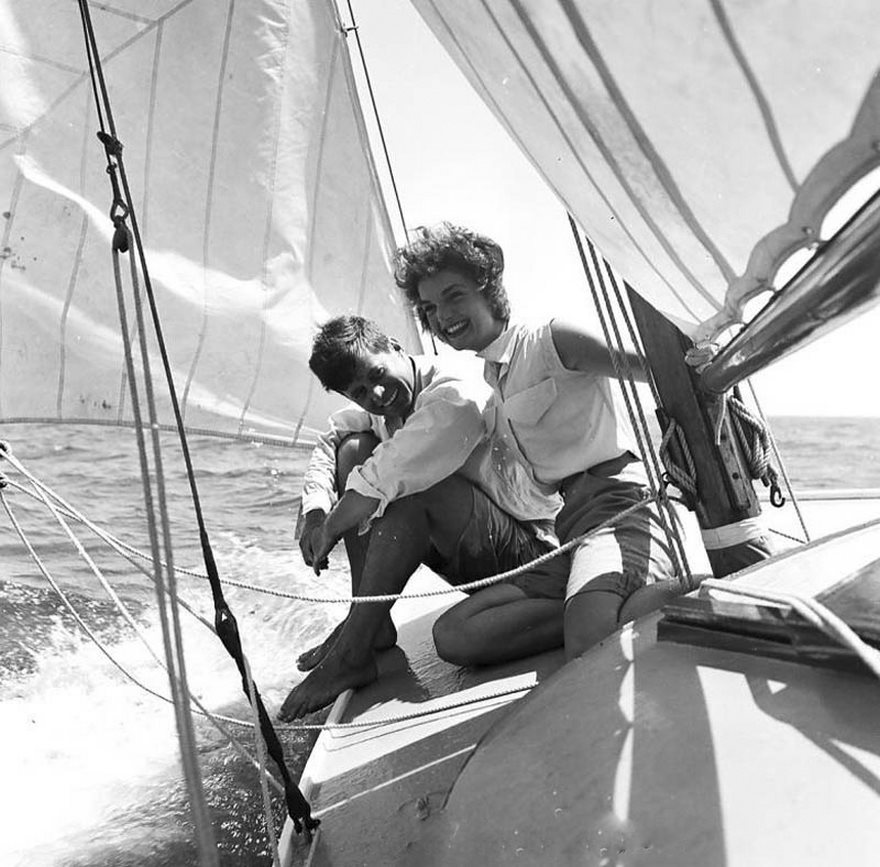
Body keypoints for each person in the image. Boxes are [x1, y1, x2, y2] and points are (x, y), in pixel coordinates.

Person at [394, 222, 680, 661]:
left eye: (455, 295)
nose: (442, 317)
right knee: (454, 635)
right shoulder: (492, 376)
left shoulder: (551, 340)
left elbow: (660, 368)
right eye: (430, 307)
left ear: (488, 288)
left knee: (591, 647)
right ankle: (596, 606)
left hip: (621, 508)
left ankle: (638, 595)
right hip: (569, 526)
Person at [278, 315, 566, 721]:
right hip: (481, 560)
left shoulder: (455, 392)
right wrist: (315, 511)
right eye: (359, 393)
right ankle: (369, 630)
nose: (376, 394)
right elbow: (332, 437)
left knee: (412, 493)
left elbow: (394, 471)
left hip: (536, 553)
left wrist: (331, 529)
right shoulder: (381, 408)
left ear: (396, 347)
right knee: (352, 449)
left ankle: (352, 652)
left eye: (377, 374)